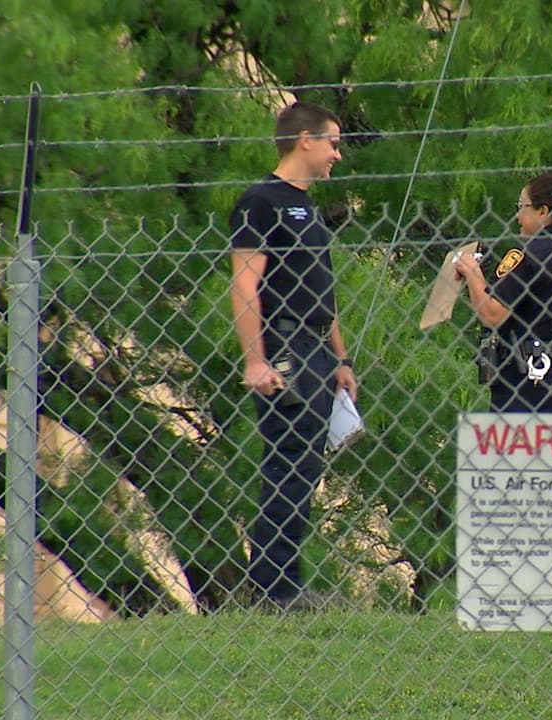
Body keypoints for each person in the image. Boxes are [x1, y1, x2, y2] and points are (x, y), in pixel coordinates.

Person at [229, 101, 358, 611]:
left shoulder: (311, 212)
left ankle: (287, 583)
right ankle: (275, 589)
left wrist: (342, 360)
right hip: (283, 346)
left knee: (305, 469)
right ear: (305, 139)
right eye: (333, 142)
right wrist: (255, 359)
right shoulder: (262, 201)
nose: (338, 155)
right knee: (288, 464)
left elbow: (323, 297)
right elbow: (244, 283)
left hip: (317, 349)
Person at [454, 171, 552, 413]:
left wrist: (472, 272)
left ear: (543, 211)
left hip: (530, 385)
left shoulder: (527, 254)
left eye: (522, 207)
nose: (518, 216)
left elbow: (492, 314)